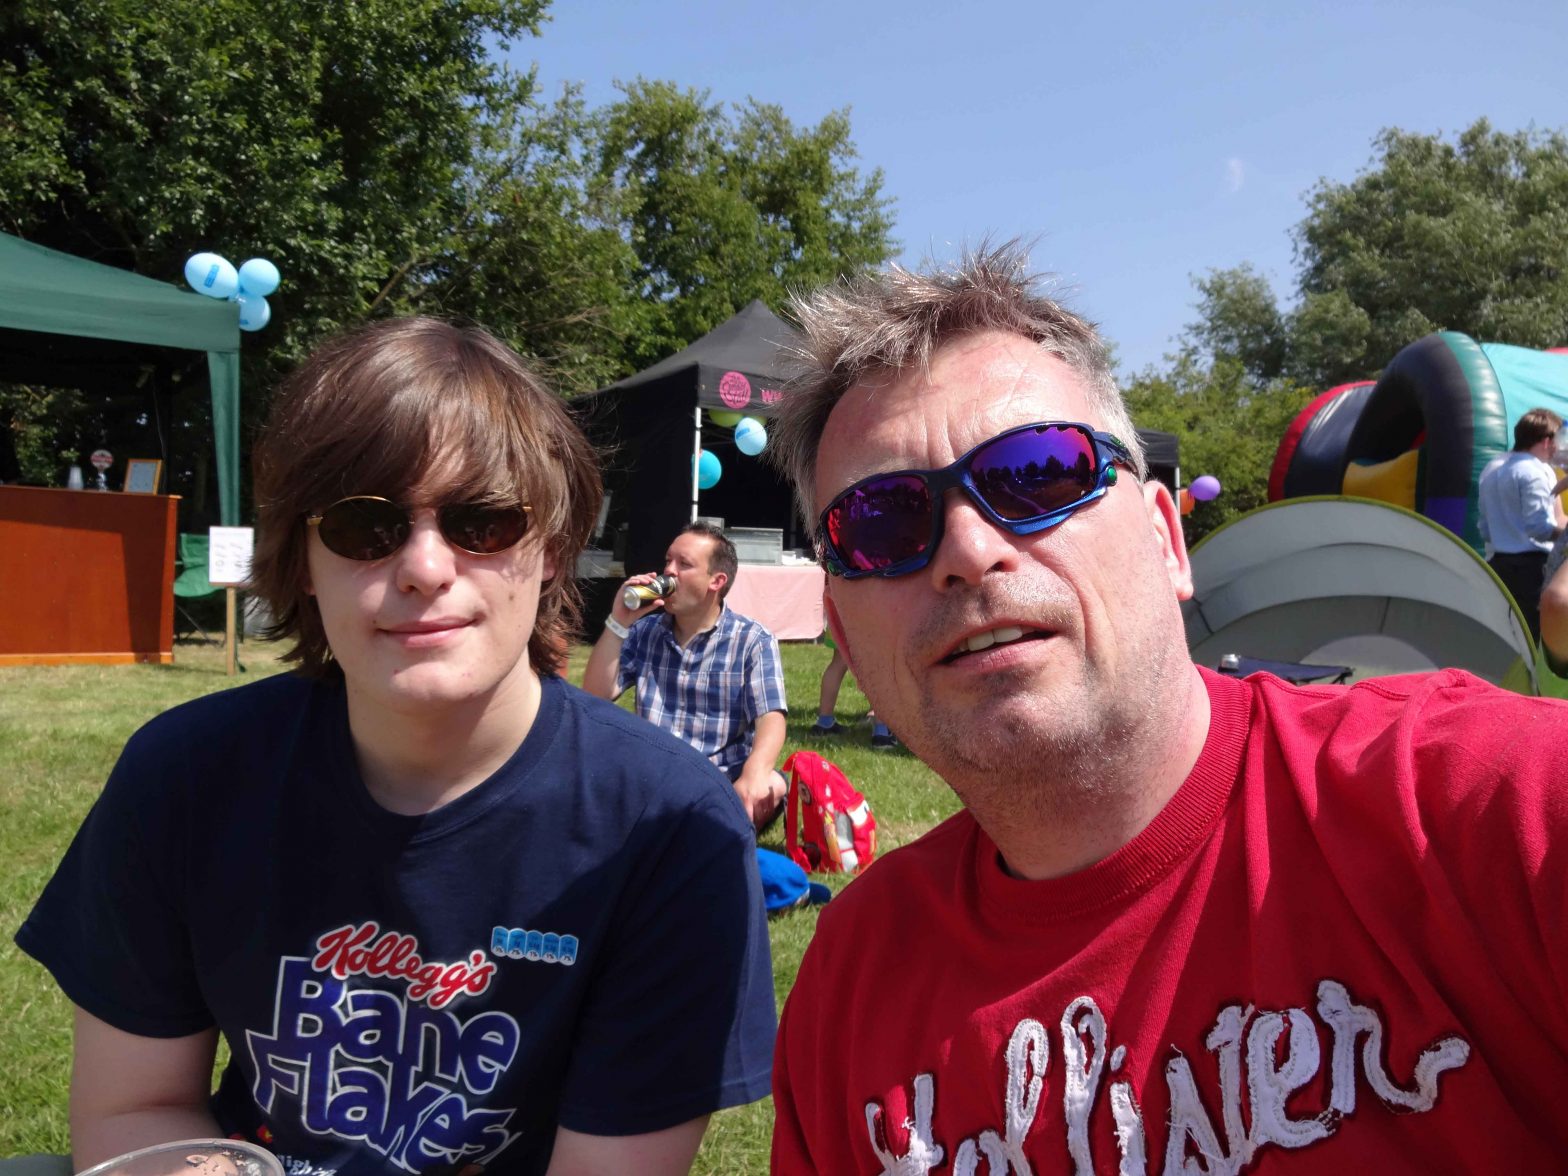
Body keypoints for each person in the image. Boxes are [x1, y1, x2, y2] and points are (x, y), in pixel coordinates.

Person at [765, 243, 1568, 1172]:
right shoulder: (850, 985)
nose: (967, 549)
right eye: (882, 523)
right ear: (843, 635)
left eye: (1037, 473)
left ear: (1165, 540)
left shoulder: (1487, 807)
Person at [15, 318, 775, 1176]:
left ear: (555, 549)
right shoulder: (187, 776)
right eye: (362, 527)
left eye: (482, 521)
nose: (423, 566)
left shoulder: (668, 829)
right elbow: (136, 1106)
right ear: (303, 559)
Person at [583, 522, 789, 830]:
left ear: (716, 581)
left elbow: (771, 716)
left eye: (684, 564)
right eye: (668, 561)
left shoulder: (752, 640)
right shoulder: (644, 632)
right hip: (651, 775)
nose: (669, 571)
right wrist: (618, 622)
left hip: (719, 779)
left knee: (773, 783)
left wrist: (755, 773)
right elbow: (595, 695)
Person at [1477, 407, 1564, 639]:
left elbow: (1484, 528)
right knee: (1536, 637)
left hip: (1499, 564)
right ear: (1546, 441)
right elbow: (1539, 528)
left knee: (1508, 637)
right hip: (1532, 570)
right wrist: (1564, 536)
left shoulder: (1492, 468)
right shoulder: (1535, 472)